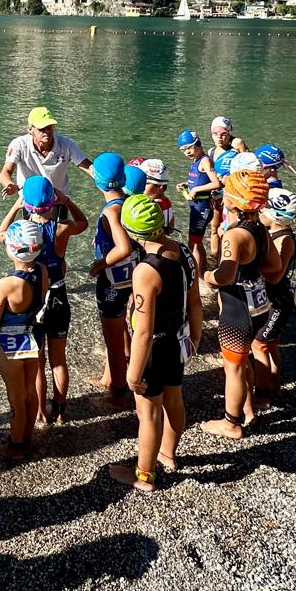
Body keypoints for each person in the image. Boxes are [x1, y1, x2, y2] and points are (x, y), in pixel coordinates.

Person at [108, 195, 200, 493]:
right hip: (176, 340)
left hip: (153, 349)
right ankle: (168, 454)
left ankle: (144, 475)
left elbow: (144, 333)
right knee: (174, 399)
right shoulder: (184, 252)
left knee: (148, 414)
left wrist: (132, 375)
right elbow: (195, 301)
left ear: (133, 234)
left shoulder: (145, 272)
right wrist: (195, 338)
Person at [0, 176, 87, 424]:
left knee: (38, 361)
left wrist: (15, 206)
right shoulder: (61, 229)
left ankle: (39, 412)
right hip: (58, 297)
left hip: (33, 300)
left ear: (26, 203)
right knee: (59, 360)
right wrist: (67, 200)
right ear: (52, 201)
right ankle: (60, 408)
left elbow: (1, 234)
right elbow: (83, 222)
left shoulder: (21, 234)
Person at [200, 169, 279, 440]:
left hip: (237, 312)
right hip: (259, 308)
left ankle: (230, 423)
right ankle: (248, 409)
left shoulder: (234, 236)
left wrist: (208, 276)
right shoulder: (260, 229)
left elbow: (224, 275)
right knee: (244, 363)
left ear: (232, 200)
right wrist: (253, 272)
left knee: (233, 368)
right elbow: (275, 267)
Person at [0, 221, 47, 461]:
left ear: (11, 249)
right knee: (30, 391)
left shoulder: (7, 283)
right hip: (35, 338)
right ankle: (27, 435)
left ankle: (15, 445)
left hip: (11, 346)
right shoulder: (42, 270)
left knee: (15, 397)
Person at [88, 152, 138, 402]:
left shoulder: (111, 211)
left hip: (113, 282)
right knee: (125, 329)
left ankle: (117, 390)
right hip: (133, 277)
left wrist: (99, 265)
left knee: (113, 340)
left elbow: (123, 248)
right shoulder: (131, 202)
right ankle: (113, 376)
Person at [254, 187, 296, 397]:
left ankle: (263, 393)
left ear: (273, 214)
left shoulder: (283, 240)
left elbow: (275, 276)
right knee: (272, 342)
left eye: (261, 210)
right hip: (273, 298)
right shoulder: (272, 232)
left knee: (259, 344)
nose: (258, 214)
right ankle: (274, 379)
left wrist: (252, 266)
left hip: (278, 300)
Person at [0, 105, 92, 196]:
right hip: (31, 201)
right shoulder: (19, 144)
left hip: (58, 199)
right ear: (30, 129)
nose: (47, 131)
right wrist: (9, 184)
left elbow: (89, 167)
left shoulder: (66, 144)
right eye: (42, 128)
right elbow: (6, 171)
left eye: (49, 127)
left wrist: (103, 179)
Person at [177, 130, 219, 277]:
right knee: (196, 241)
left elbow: (216, 183)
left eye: (189, 148)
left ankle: (195, 276)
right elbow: (201, 180)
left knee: (193, 244)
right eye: (183, 150)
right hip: (197, 207)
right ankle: (204, 267)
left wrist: (196, 189)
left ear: (198, 143)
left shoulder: (205, 160)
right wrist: (187, 185)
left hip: (202, 208)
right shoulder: (196, 160)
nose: (187, 152)